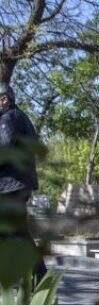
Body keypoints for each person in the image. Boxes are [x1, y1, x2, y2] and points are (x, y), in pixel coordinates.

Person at [0, 82, 46, 280]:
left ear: (4, 99)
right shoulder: (19, 117)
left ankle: (40, 276)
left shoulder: (9, 118)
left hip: (11, 186)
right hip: (15, 185)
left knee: (17, 233)